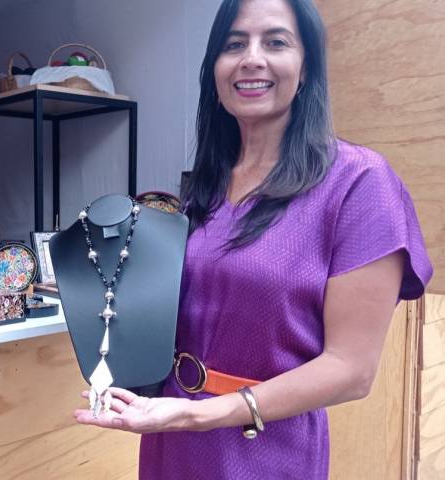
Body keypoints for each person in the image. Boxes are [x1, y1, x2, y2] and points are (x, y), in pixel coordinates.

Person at [73, 0, 433, 478]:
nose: (251, 59)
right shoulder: (205, 187)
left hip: (264, 445)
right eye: (234, 44)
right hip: (170, 435)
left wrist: (202, 414)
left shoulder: (359, 183)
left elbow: (351, 369)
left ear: (306, 68)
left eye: (276, 42)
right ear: (214, 70)